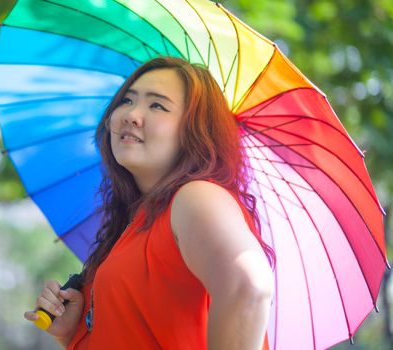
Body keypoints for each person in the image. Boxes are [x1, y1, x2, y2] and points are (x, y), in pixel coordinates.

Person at [24, 57, 275, 350]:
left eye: (157, 105)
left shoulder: (196, 197)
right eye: (127, 100)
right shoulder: (136, 223)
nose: (132, 114)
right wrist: (75, 332)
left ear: (194, 130)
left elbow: (249, 288)